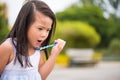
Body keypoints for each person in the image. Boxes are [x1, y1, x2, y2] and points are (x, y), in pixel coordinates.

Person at [0, 0, 66, 80]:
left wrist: (54, 55)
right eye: (40, 28)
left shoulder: (38, 50)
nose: (44, 34)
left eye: (48, 30)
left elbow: (40, 76)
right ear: (25, 24)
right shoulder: (8, 48)